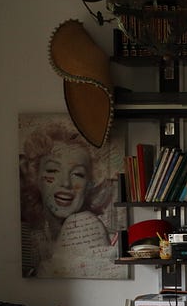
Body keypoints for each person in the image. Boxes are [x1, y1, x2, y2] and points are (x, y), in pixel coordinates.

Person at [19, 118, 124, 278]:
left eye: (78, 174)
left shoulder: (89, 227)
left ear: (90, 183)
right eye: (53, 170)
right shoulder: (26, 238)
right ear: (35, 176)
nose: (66, 183)